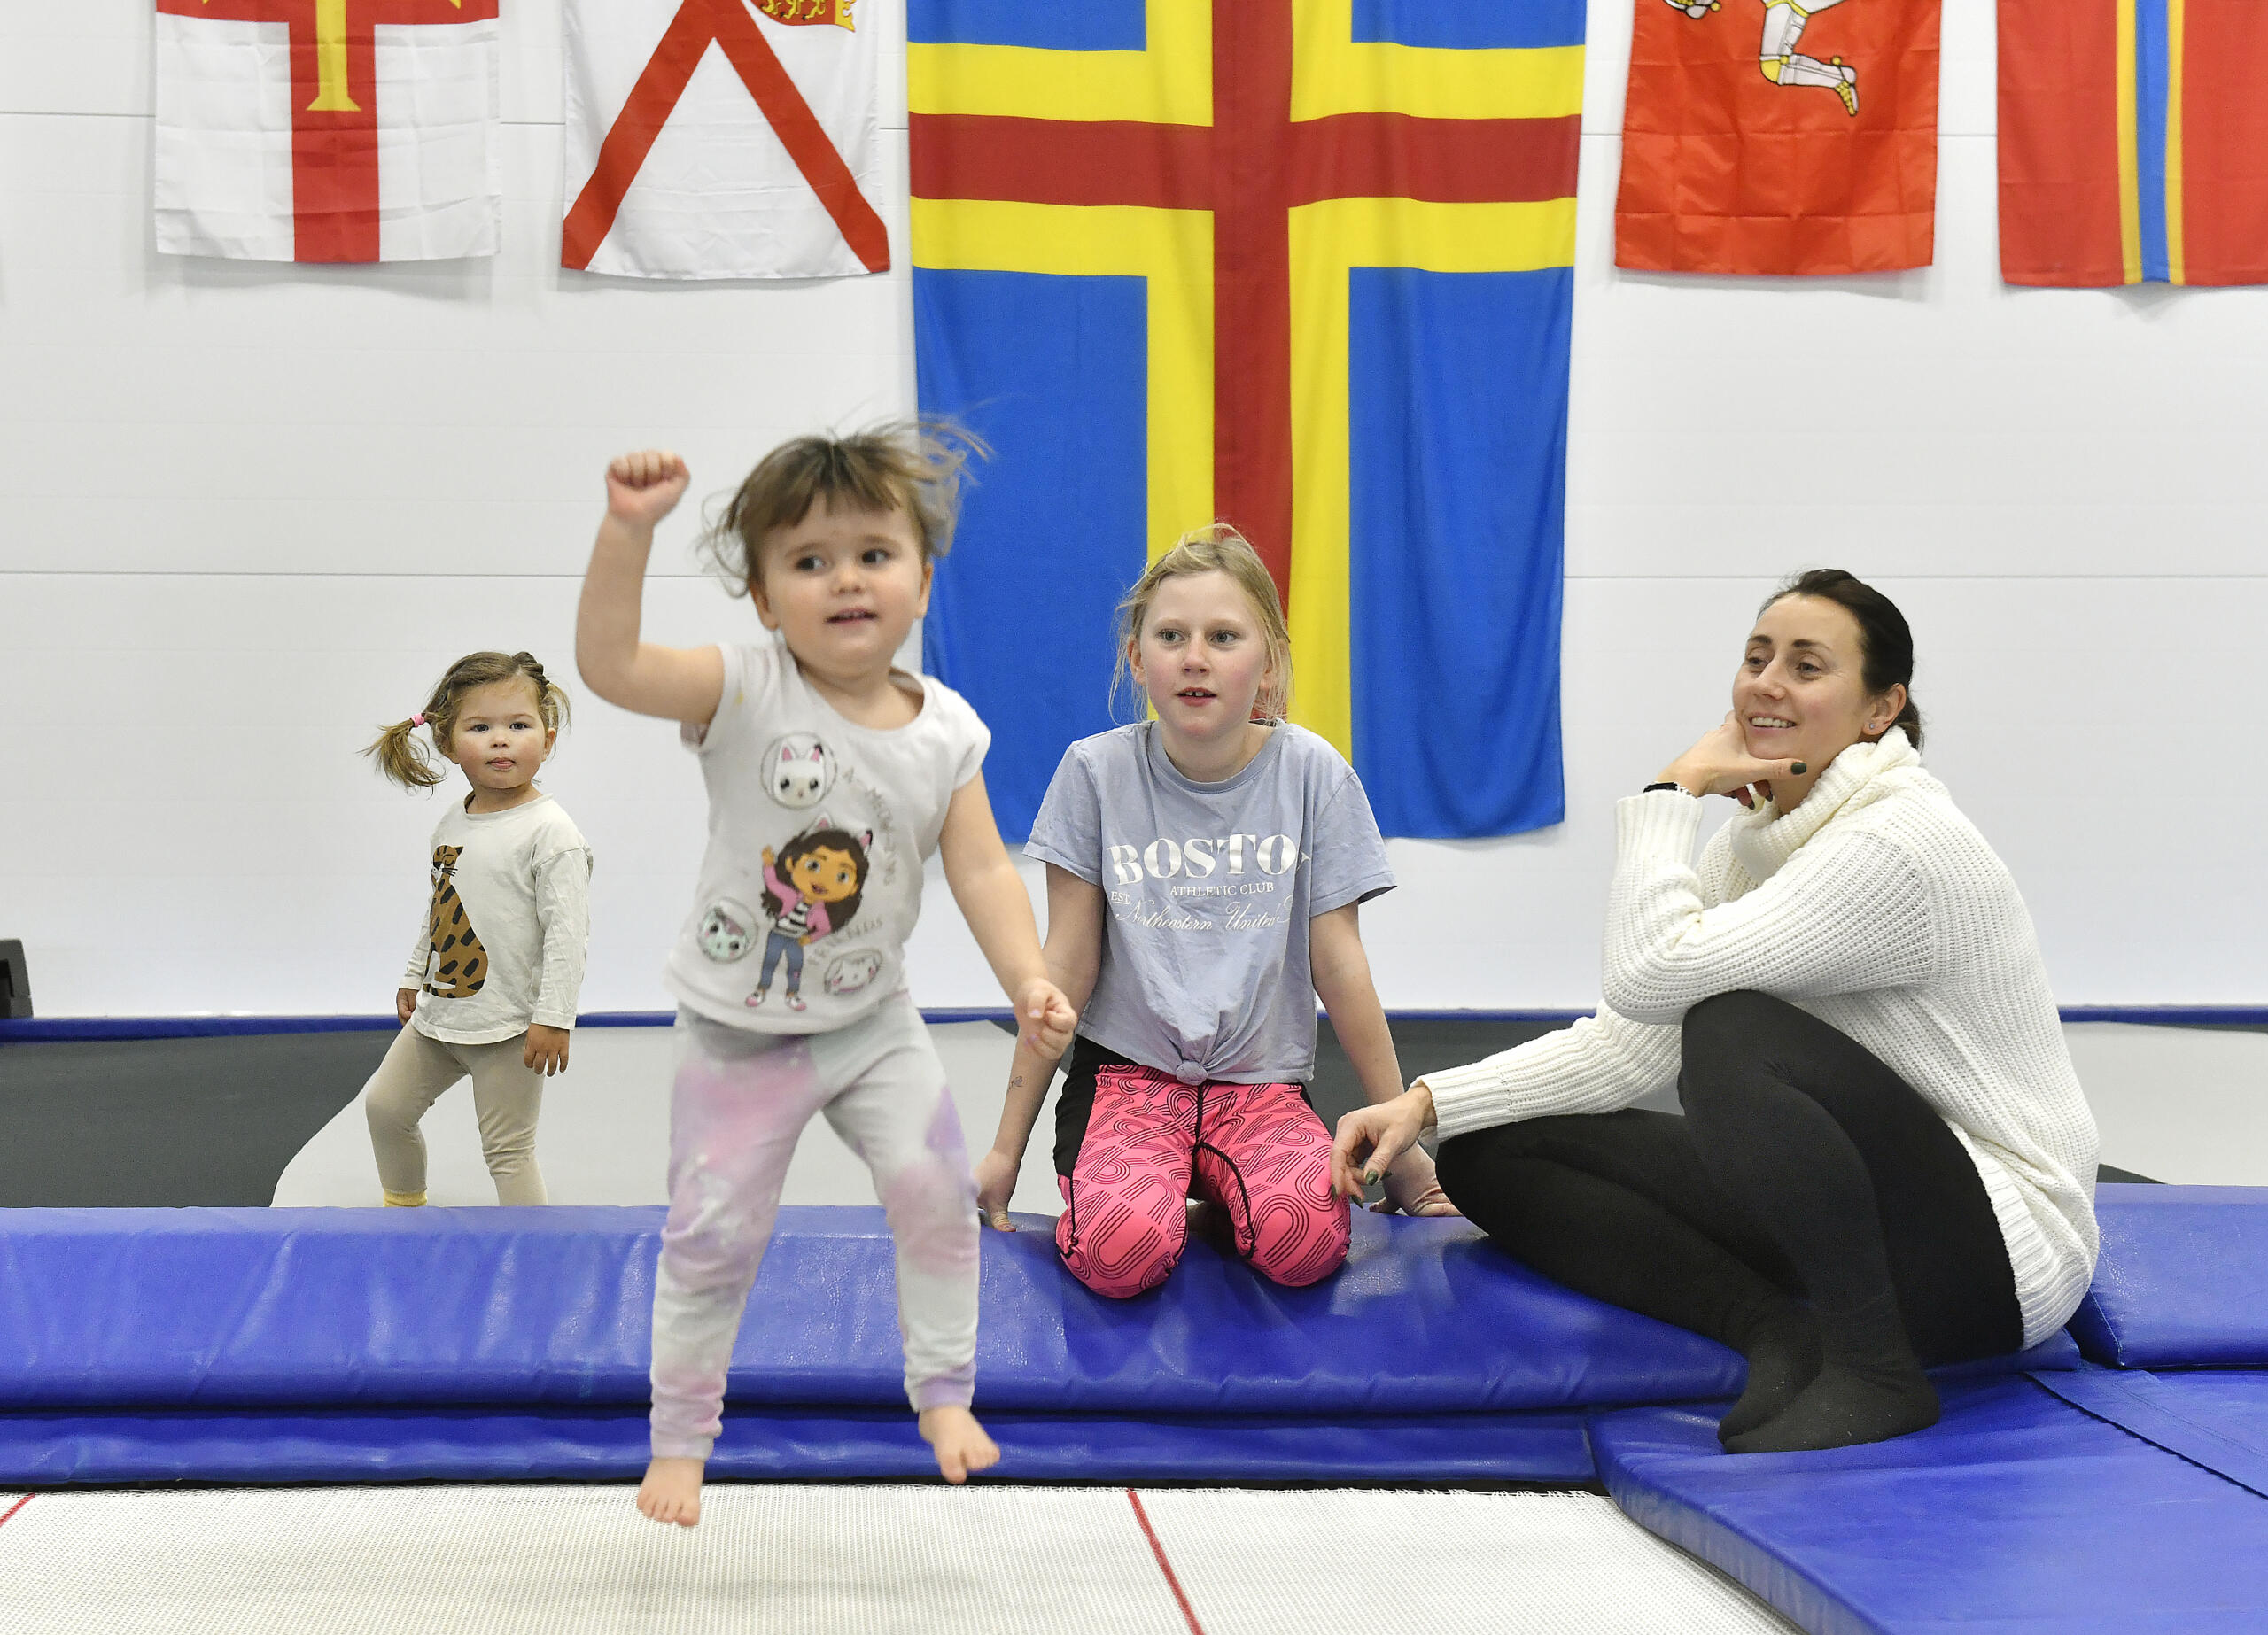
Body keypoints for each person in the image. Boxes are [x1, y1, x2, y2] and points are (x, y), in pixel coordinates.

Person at [1332, 570, 2100, 1454]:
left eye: (1806, 666)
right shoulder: (1761, 841)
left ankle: (1876, 1369)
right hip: (1879, 1215)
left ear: (1880, 709)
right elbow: (1628, 1045)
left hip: (2000, 1256)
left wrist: (1672, 794)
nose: (1767, 683)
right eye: (1756, 658)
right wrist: (1427, 1105)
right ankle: (1777, 1333)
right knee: (1492, 1152)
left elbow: (1652, 971)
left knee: (1732, 1034)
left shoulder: (1897, 842)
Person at [577, 427, 1076, 1527]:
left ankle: (943, 1392)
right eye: (809, 562)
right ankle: (679, 1438)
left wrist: (1027, 976)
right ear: (764, 599)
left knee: (937, 1192)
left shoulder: (947, 730)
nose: (845, 579)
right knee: (714, 1235)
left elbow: (982, 866)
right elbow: (611, 667)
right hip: (736, 1031)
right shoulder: (744, 689)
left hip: (870, 1022)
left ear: (922, 582)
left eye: (872, 555)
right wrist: (627, 533)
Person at [974, 526, 1457, 1300]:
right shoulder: (1094, 773)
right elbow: (1064, 968)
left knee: (1307, 1246)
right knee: (1121, 1256)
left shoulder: (1314, 775)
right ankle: (1155, 1205)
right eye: (1171, 636)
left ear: (1268, 661)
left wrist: (1401, 1148)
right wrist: (1006, 1149)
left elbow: (1340, 965)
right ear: (1137, 658)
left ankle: (1215, 1205)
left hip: (1260, 1086)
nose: (1194, 657)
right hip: (1127, 1079)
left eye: (1223, 637)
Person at [361, 651, 592, 1209]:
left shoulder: (551, 834)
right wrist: (414, 973)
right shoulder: (454, 821)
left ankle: (531, 1251)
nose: (501, 740)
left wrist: (554, 1018)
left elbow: (567, 936)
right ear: (448, 743)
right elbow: (442, 905)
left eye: (519, 725)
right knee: (385, 1109)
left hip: (508, 1029)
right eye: (481, 727)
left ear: (547, 739)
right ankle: (404, 1213)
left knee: (508, 1151)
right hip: (440, 1017)